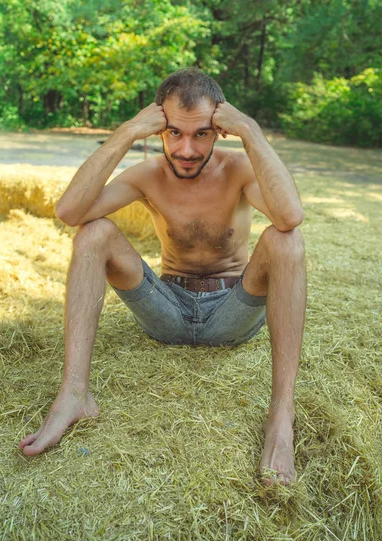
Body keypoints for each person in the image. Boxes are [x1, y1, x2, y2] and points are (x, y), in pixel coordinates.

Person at [19, 68, 306, 485]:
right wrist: (127, 132)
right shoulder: (149, 174)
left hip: (233, 310)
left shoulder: (239, 169)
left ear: (221, 130)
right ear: (158, 129)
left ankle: (281, 417)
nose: (186, 148)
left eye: (201, 134)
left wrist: (252, 132)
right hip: (166, 308)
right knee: (93, 232)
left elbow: (290, 216)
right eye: (173, 133)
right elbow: (70, 212)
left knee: (288, 242)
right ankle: (74, 393)